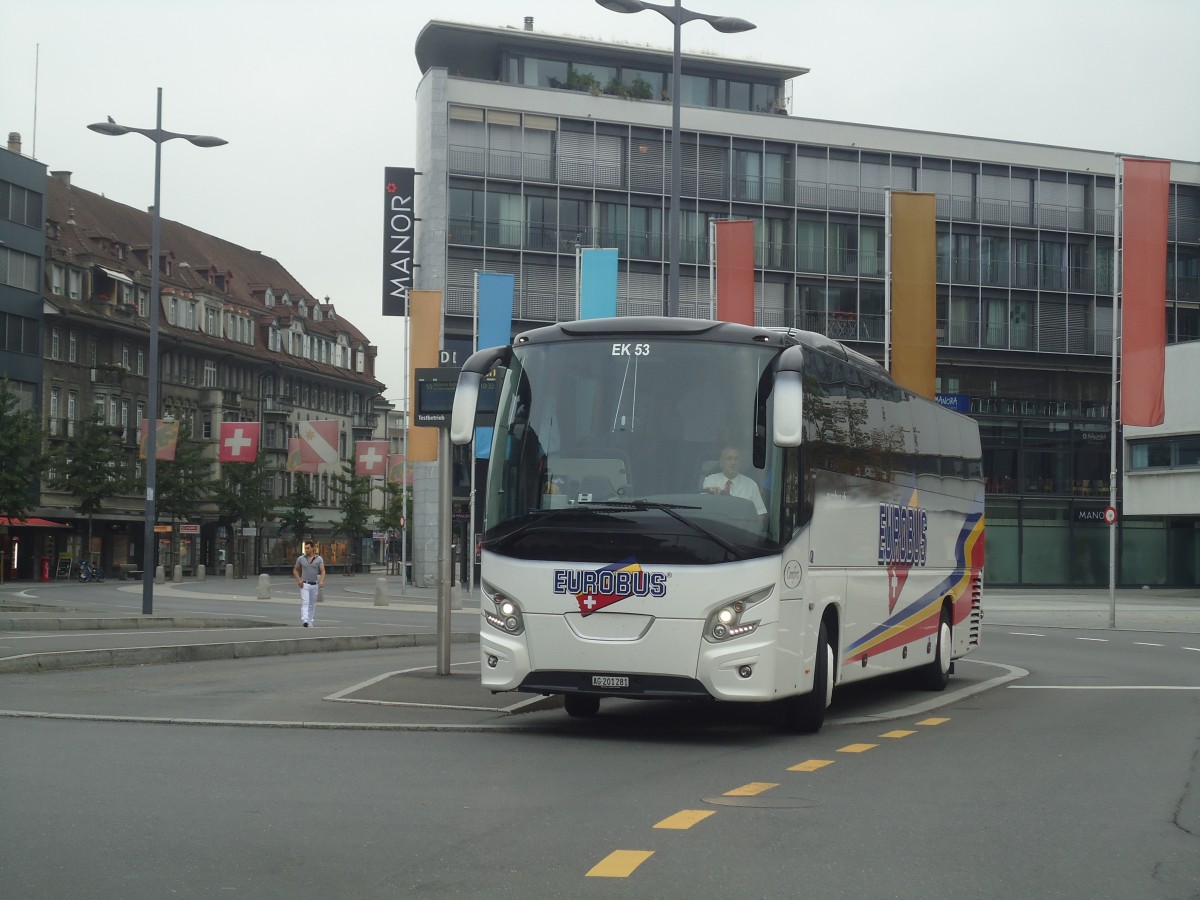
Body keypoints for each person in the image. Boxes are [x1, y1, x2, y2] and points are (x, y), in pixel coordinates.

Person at [702, 446, 767, 516]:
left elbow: (761, 514)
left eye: (736, 459)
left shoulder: (751, 485)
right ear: (722, 462)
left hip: (741, 525)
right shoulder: (711, 480)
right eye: (729, 459)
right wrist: (712, 495)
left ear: (740, 463)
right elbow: (705, 508)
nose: (732, 462)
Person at [293, 540, 326, 627]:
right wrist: (299, 580)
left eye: (308, 548)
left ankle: (310, 620)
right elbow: (295, 570)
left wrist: (322, 580)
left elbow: (322, 571)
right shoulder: (301, 559)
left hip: (314, 584)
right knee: (305, 601)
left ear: (312, 549)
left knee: (312, 603)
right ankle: (305, 619)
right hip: (305, 584)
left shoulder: (319, 559)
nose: (306, 550)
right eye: (305, 548)